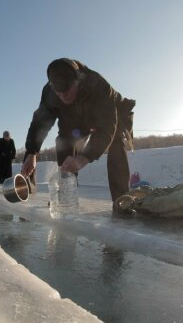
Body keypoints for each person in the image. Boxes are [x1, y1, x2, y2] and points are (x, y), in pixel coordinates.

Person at [21, 58, 135, 212]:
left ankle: (121, 201)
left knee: (116, 143)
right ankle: (65, 195)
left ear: (77, 81)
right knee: (64, 142)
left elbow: (106, 129)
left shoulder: (98, 85)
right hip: (74, 119)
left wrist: (83, 158)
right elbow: (40, 122)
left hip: (111, 116)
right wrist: (32, 152)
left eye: (67, 91)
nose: (63, 96)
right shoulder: (50, 92)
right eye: (59, 93)